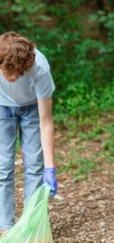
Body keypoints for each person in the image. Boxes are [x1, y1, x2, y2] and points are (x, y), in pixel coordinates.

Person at [0, 32, 58, 234]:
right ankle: (4, 227)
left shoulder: (39, 68)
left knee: (34, 165)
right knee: (3, 167)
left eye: (19, 71)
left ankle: (30, 226)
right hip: (1, 107)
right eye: (9, 72)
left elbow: (46, 121)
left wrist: (49, 168)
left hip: (32, 108)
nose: (14, 77)